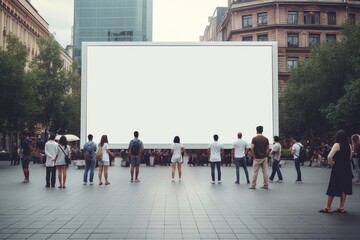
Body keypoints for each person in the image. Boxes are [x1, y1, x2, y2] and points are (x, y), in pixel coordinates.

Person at [319, 130, 352, 213]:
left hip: (338, 168)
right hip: (347, 168)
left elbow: (329, 156)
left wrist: (332, 163)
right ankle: (341, 207)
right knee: (344, 187)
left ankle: (328, 207)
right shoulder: (349, 145)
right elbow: (350, 157)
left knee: (333, 186)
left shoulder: (337, 144)